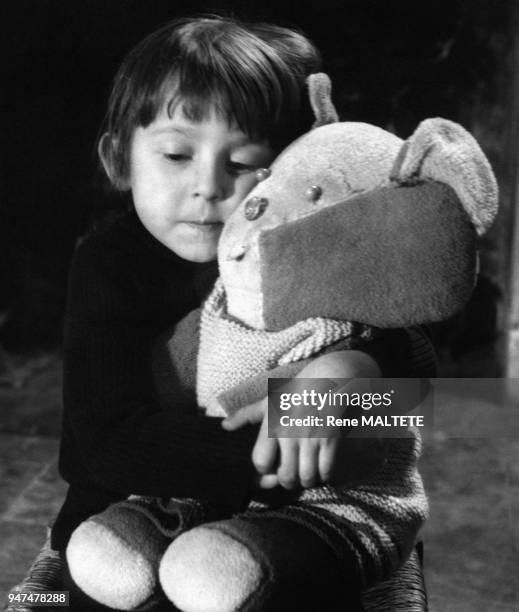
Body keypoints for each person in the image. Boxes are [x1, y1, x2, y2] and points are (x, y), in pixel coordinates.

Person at [55, 15, 433, 611]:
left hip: (298, 524)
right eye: (176, 154)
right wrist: (284, 454)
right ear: (119, 159)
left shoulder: (302, 246)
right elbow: (104, 442)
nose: (208, 186)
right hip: (129, 506)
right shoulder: (107, 265)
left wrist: (349, 374)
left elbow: (417, 370)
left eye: (244, 161)